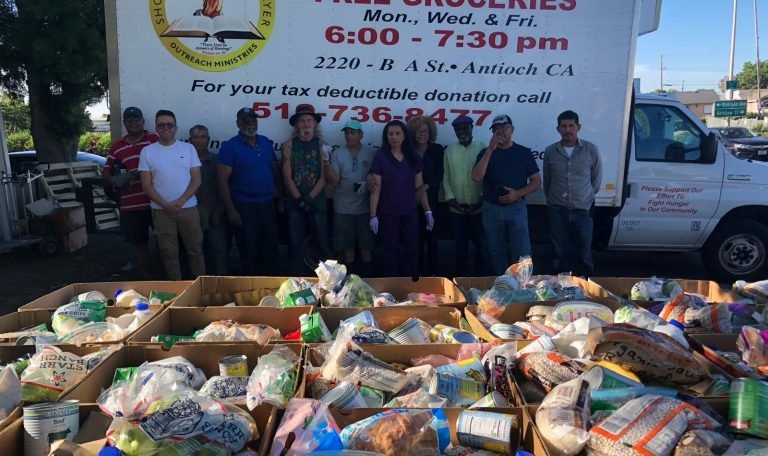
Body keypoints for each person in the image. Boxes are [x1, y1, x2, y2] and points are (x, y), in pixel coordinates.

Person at [138, 109, 205, 280]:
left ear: (176, 128)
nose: (165, 128)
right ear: (156, 128)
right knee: (169, 253)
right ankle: (177, 291)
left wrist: (180, 201)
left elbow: (196, 180)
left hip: (188, 208)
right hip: (161, 211)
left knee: (195, 249)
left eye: (169, 125)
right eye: (161, 125)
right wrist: (165, 205)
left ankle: (201, 288)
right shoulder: (147, 152)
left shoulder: (188, 148)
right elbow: (146, 185)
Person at [472, 114, 541, 275]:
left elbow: (537, 182)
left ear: (512, 129)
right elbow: (476, 177)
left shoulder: (523, 153)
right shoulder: (485, 152)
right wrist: (490, 149)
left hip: (516, 207)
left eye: (504, 128)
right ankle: (503, 286)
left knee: (522, 252)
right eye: (496, 129)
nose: (501, 132)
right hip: (492, 209)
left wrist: (517, 194)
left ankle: (523, 287)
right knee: (496, 251)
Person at [218, 107, 281, 275]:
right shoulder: (230, 147)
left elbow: (275, 170)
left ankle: (272, 287)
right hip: (244, 207)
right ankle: (251, 290)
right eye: (245, 120)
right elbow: (222, 180)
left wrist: (280, 197)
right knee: (248, 250)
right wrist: (231, 210)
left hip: (268, 205)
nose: (250, 122)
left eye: (252, 119)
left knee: (270, 248)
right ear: (238, 124)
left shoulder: (265, 142)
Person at [369, 120, 434, 279]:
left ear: (404, 136)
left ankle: (411, 285)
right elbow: (375, 188)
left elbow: (419, 187)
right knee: (390, 251)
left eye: (398, 133)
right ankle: (392, 287)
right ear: (386, 137)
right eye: (390, 134)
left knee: (411, 249)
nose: (394, 137)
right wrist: (373, 215)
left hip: (409, 212)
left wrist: (427, 211)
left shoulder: (413, 157)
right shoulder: (381, 157)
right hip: (388, 213)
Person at [543, 110, 602, 276]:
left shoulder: (591, 150)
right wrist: (554, 201)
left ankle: (587, 290)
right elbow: (547, 181)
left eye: (571, 126)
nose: (567, 129)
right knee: (559, 254)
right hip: (557, 210)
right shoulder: (550, 152)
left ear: (578, 127)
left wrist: (585, 198)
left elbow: (596, 181)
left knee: (584, 254)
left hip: (582, 211)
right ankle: (559, 290)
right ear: (558, 129)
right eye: (564, 126)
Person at [102, 107, 159, 278]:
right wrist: (118, 180)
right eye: (129, 120)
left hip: (156, 202)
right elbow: (106, 172)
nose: (133, 123)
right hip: (131, 204)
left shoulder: (154, 140)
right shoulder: (117, 147)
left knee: (165, 242)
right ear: (125, 123)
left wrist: (143, 177)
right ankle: (148, 281)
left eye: (136, 120)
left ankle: (168, 278)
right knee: (139, 245)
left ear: (143, 121)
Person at [282, 104, 331, 274]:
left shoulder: (322, 145)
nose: (306, 124)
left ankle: (326, 285)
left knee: (322, 244)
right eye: (302, 120)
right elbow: (286, 176)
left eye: (309, 120)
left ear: (315, 124)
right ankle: (298, 283)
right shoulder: (288, 145)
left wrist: (310, 197)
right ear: (296, 125)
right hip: (295, 203)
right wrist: (299, 199)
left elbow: (325, 177)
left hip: (317, 202)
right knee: (296, 245)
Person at [324, 120, 376, 275]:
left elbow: (377, 177)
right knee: (347, 247)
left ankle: (367, 280)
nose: (349, 136)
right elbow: (334, 181)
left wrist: (367, 182)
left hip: (365, 208)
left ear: (361, 135)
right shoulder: (338, 153)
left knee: (366, 246)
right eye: (346, 133)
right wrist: (326, 163)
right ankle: (351, 280)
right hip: (343, 208)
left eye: (353, 132)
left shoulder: (371, 153)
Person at [443, 115, 489, 276]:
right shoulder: (449, 150)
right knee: (460, 247)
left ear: (472, 128)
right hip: (457, 209)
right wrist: (451, 200)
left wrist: (482, 200)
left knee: (482, 247)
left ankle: (481, 279)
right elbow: (446, 177)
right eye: (458, 129)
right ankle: (460, 280)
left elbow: (488, 176)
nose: (462, 131)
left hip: (479, 208)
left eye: (465, 128)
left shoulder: (483, 147)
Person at [407, 116, 444, 276]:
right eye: (417, 132)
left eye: (424, 131)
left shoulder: (437, 149)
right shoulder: (407, 150)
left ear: (430, 133)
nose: (421, 134)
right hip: (411, 201)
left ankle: (434, 275)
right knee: (415, 240)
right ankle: (416, 275)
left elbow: (439, 174)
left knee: (433, 239)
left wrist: (424, 187)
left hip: (432, 200)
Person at [190, 124, 228, 275]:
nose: (200, 141)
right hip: (192, 214)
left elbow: (222, 188)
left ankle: (221, 283)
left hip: (214, 212)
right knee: (195, 251)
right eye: (196, 137)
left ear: (209, 140)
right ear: (190, 140)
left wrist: (218, 211)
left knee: (219, 250)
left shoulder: (217, 160)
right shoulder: (185, 161)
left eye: (203, 137)